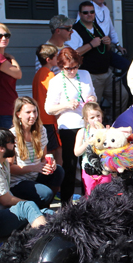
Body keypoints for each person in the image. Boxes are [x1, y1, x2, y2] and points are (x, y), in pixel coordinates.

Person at [0, 128, 49, 239]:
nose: (15, 144)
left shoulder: (2, 161)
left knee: (48, 213)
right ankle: (45, 240)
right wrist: (30, 205)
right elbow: (6, 200)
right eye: (12, 142)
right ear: (1, 148)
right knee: (29, 206)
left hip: (3, 211)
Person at [44, 48, 95, 201]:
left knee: (90, 163)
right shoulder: (56, 81)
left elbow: (93, 94)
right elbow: (48, 109)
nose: (72, 71)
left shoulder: (85, 74)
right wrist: (66, 105)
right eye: (68, 68)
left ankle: (91, 199)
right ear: (60, 67)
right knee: (70, 165)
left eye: (75, 66)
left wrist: (92, 98)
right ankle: (66, 203)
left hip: (87, 125)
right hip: (69, 127)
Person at [73, 1, 128, 112]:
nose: (89, 14)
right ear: (80, 14)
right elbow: (74, 53)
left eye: (92, 12)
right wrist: (91, 45)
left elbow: (104, 50)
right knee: (92, 106)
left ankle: (115, 122)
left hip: (106, 73)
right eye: (85, 12)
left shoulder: (96, 27)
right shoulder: (75, 30)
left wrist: (107, 44)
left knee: (122, 96)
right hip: (91, 76)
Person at [9, 96, 64, 207]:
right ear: (18, 114)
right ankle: (38, 208)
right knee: (45, 193)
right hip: (18, 181)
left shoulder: (41, 130)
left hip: (36, 174)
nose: (33, 116)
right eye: (28, 112)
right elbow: (9, 168)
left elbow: (43, 157)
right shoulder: (11, 135)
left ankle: (45, 205)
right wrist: (34, 167)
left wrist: (50, 162)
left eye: (35, 111)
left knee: (58, 170)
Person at [32, 43, 63, 167]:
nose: (58, 59)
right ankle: (59, 176)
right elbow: (56, 96)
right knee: (58, 150)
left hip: (40, 118)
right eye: (56, 56)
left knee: (47, 149)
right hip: (49, 119)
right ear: (48, 60)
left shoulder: (38, 74)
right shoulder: (49, 76)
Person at [73, 101, 112, 195]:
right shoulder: (83, 132)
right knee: (90, 195)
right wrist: (87, 143)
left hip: (105, 169)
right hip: (88, 170)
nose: (96, 119)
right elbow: (76, 152)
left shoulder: (106, 131)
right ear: (86, 119)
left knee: (106, 195)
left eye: (98, 116)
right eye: (92, 117)